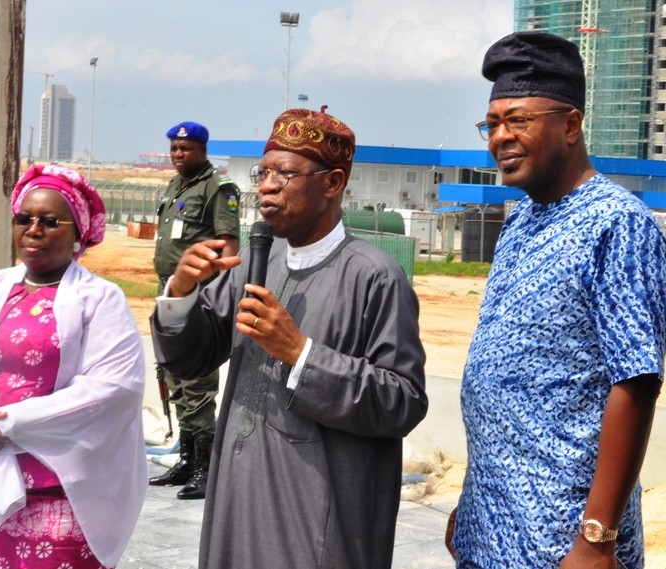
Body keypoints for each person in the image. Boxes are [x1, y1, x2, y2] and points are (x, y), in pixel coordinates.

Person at [151, 106, 428, 568]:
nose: (266, 186)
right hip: (238, 496)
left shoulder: (376, 277)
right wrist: (178, 291)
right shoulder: (259, 263)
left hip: (316, 512)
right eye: (264, 172)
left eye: (285, 173)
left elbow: (403, 400)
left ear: (333, 183)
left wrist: (301, 354)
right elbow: (188, 360)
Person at [446, 32, 666, 569]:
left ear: (570, 125)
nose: (500, 137)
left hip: (559, 539)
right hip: (491, 527)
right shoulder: (519, 218)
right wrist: (471, 502)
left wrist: (596, 538)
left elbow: (635, 382)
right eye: (492, 124)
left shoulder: (617, 225)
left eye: (518, 120)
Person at [0, 164, 147, 568]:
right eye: (25, 219)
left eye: (50, 221)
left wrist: (5, 424)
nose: (33, 230)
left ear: (78, 232)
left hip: (50, 492)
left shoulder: (100, 299)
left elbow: (113, 388)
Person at [149, 121, 240, 500]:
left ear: (202, 150)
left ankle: (206, 466)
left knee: (198, 383)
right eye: (173, 148)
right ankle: (187, 458)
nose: (177, 154)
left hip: (200, 295)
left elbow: (228, 244)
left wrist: (217, 293)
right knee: (175, 379)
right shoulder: (175, 187)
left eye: (185, 149)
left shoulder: (217, 188)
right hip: (170, 290)